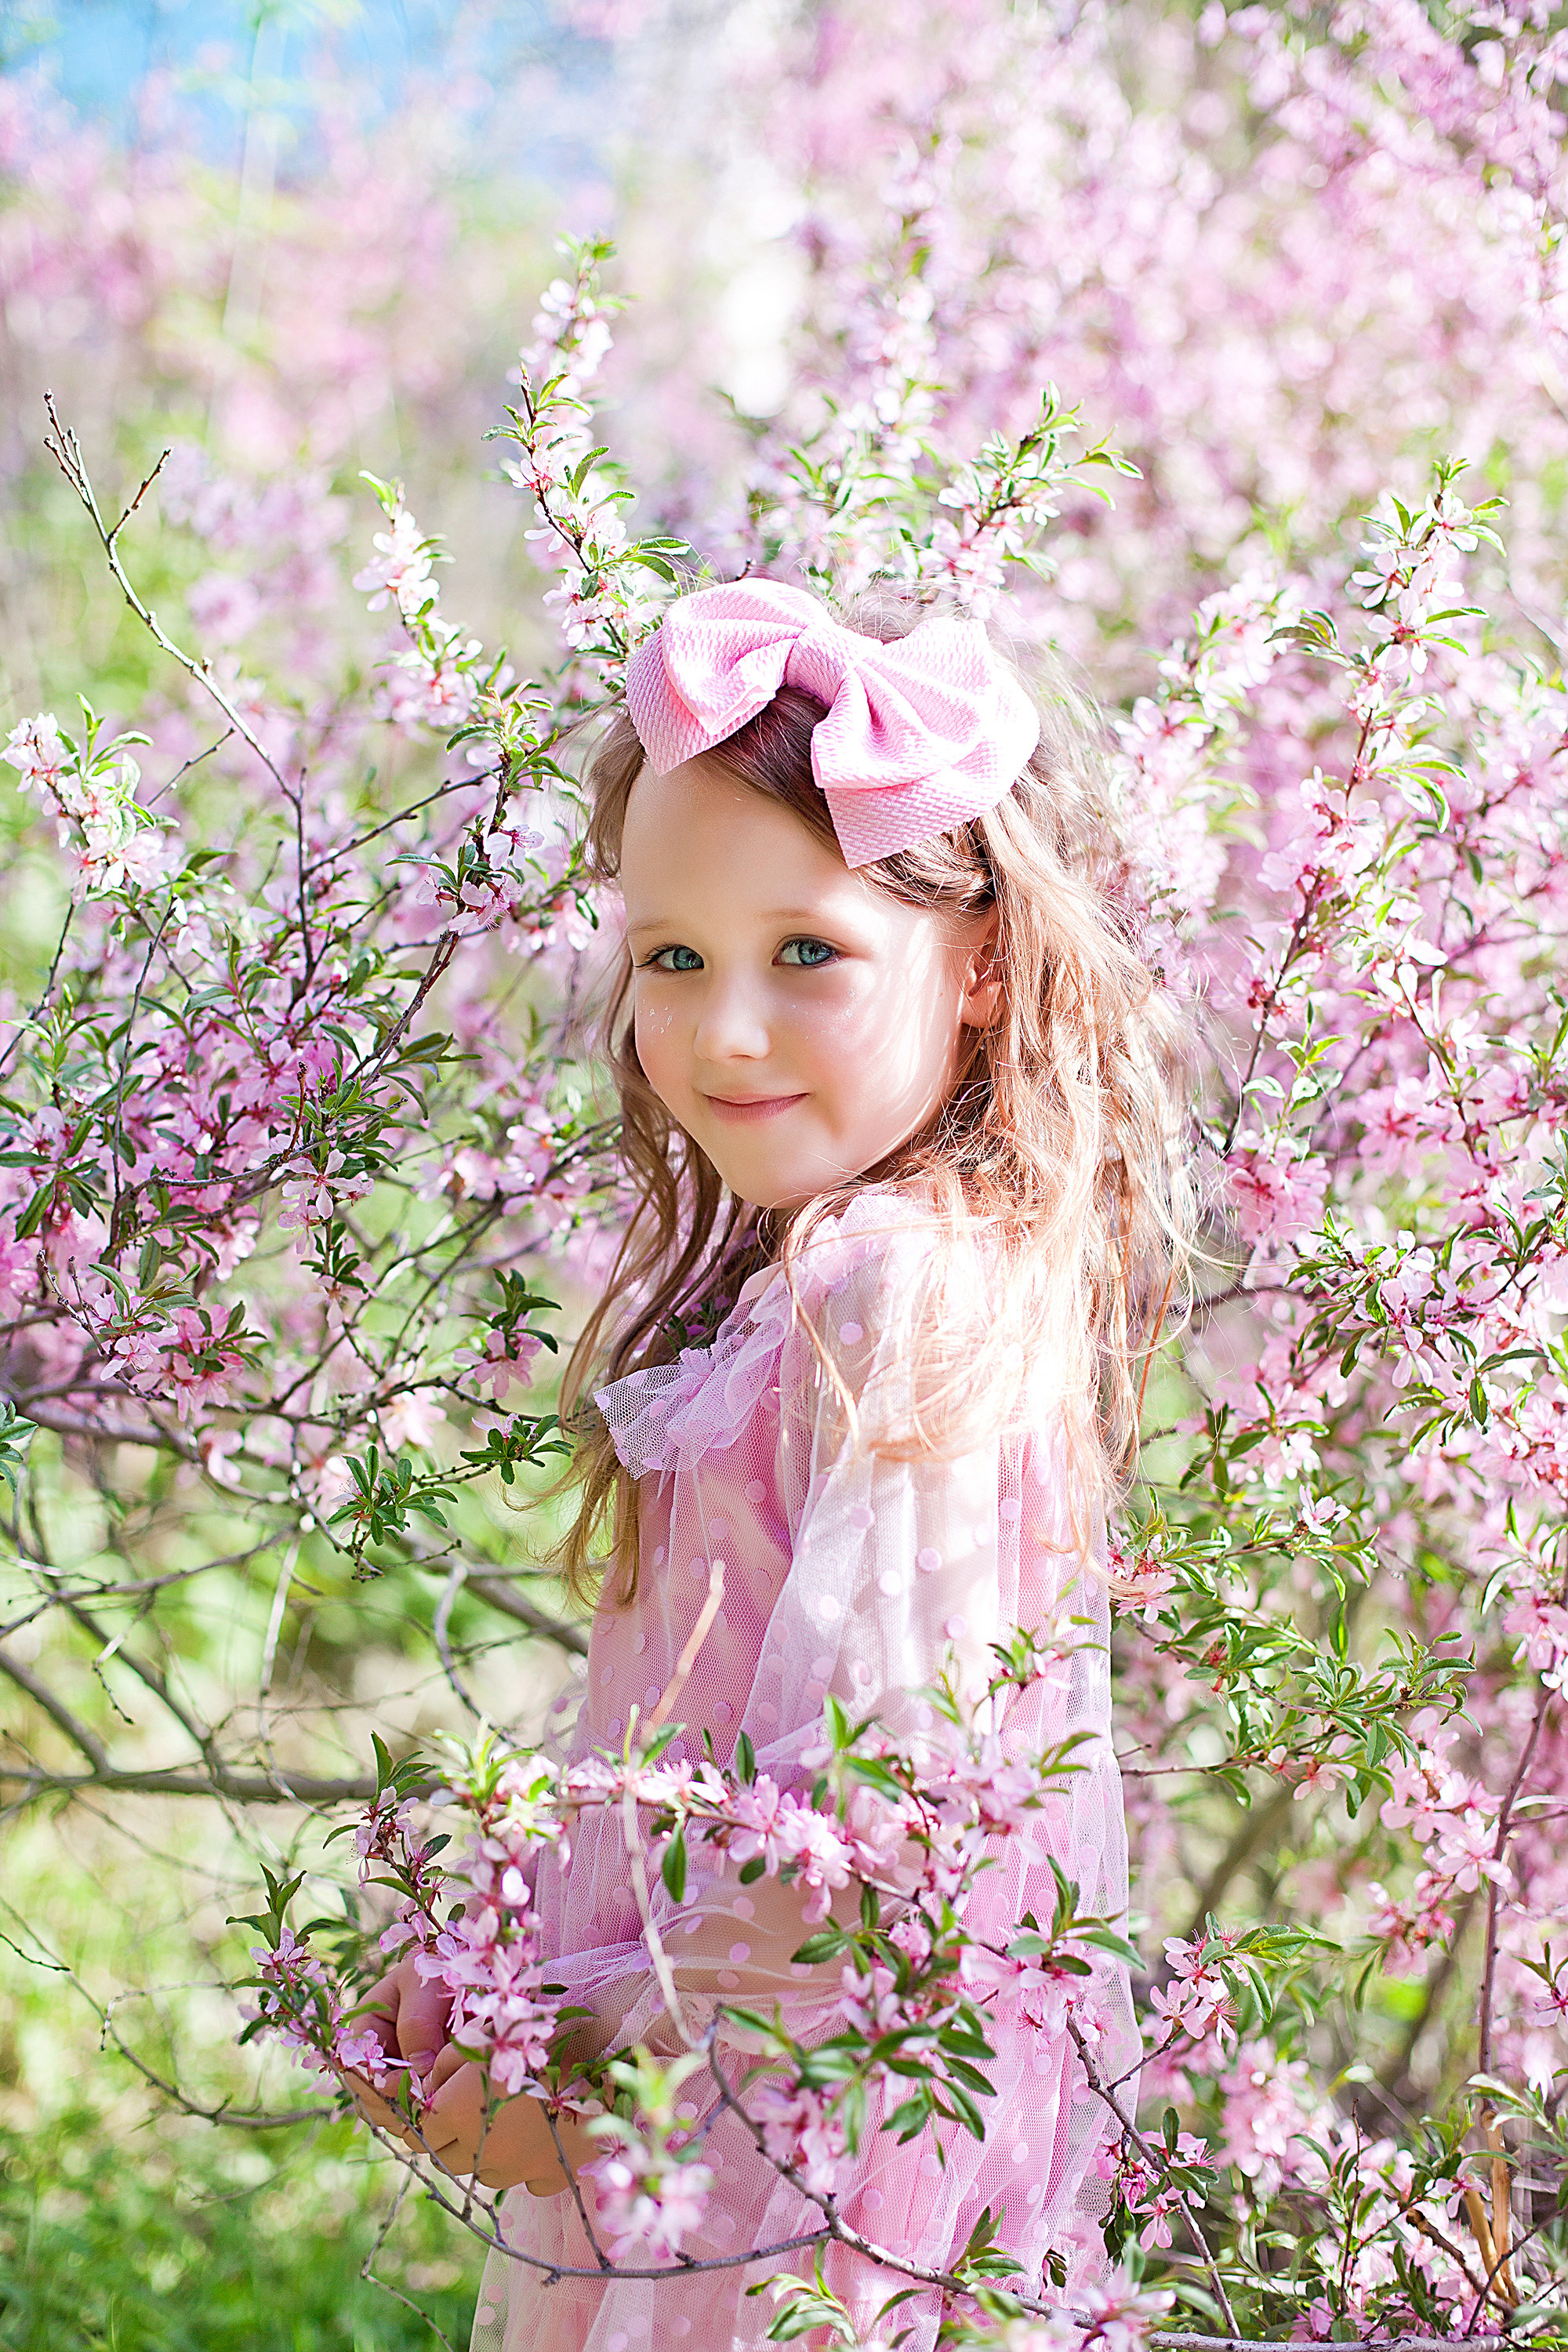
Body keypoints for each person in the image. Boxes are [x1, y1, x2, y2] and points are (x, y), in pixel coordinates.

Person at [353, 576, 1196, 2351]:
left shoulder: (889, 1294)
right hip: (712, 2118)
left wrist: (561, 2051)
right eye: (675, 959)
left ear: (979, 966)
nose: (721, 1031)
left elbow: (880, 1845)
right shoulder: (848, 1277)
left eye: (804, 952)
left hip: (770, 2160)